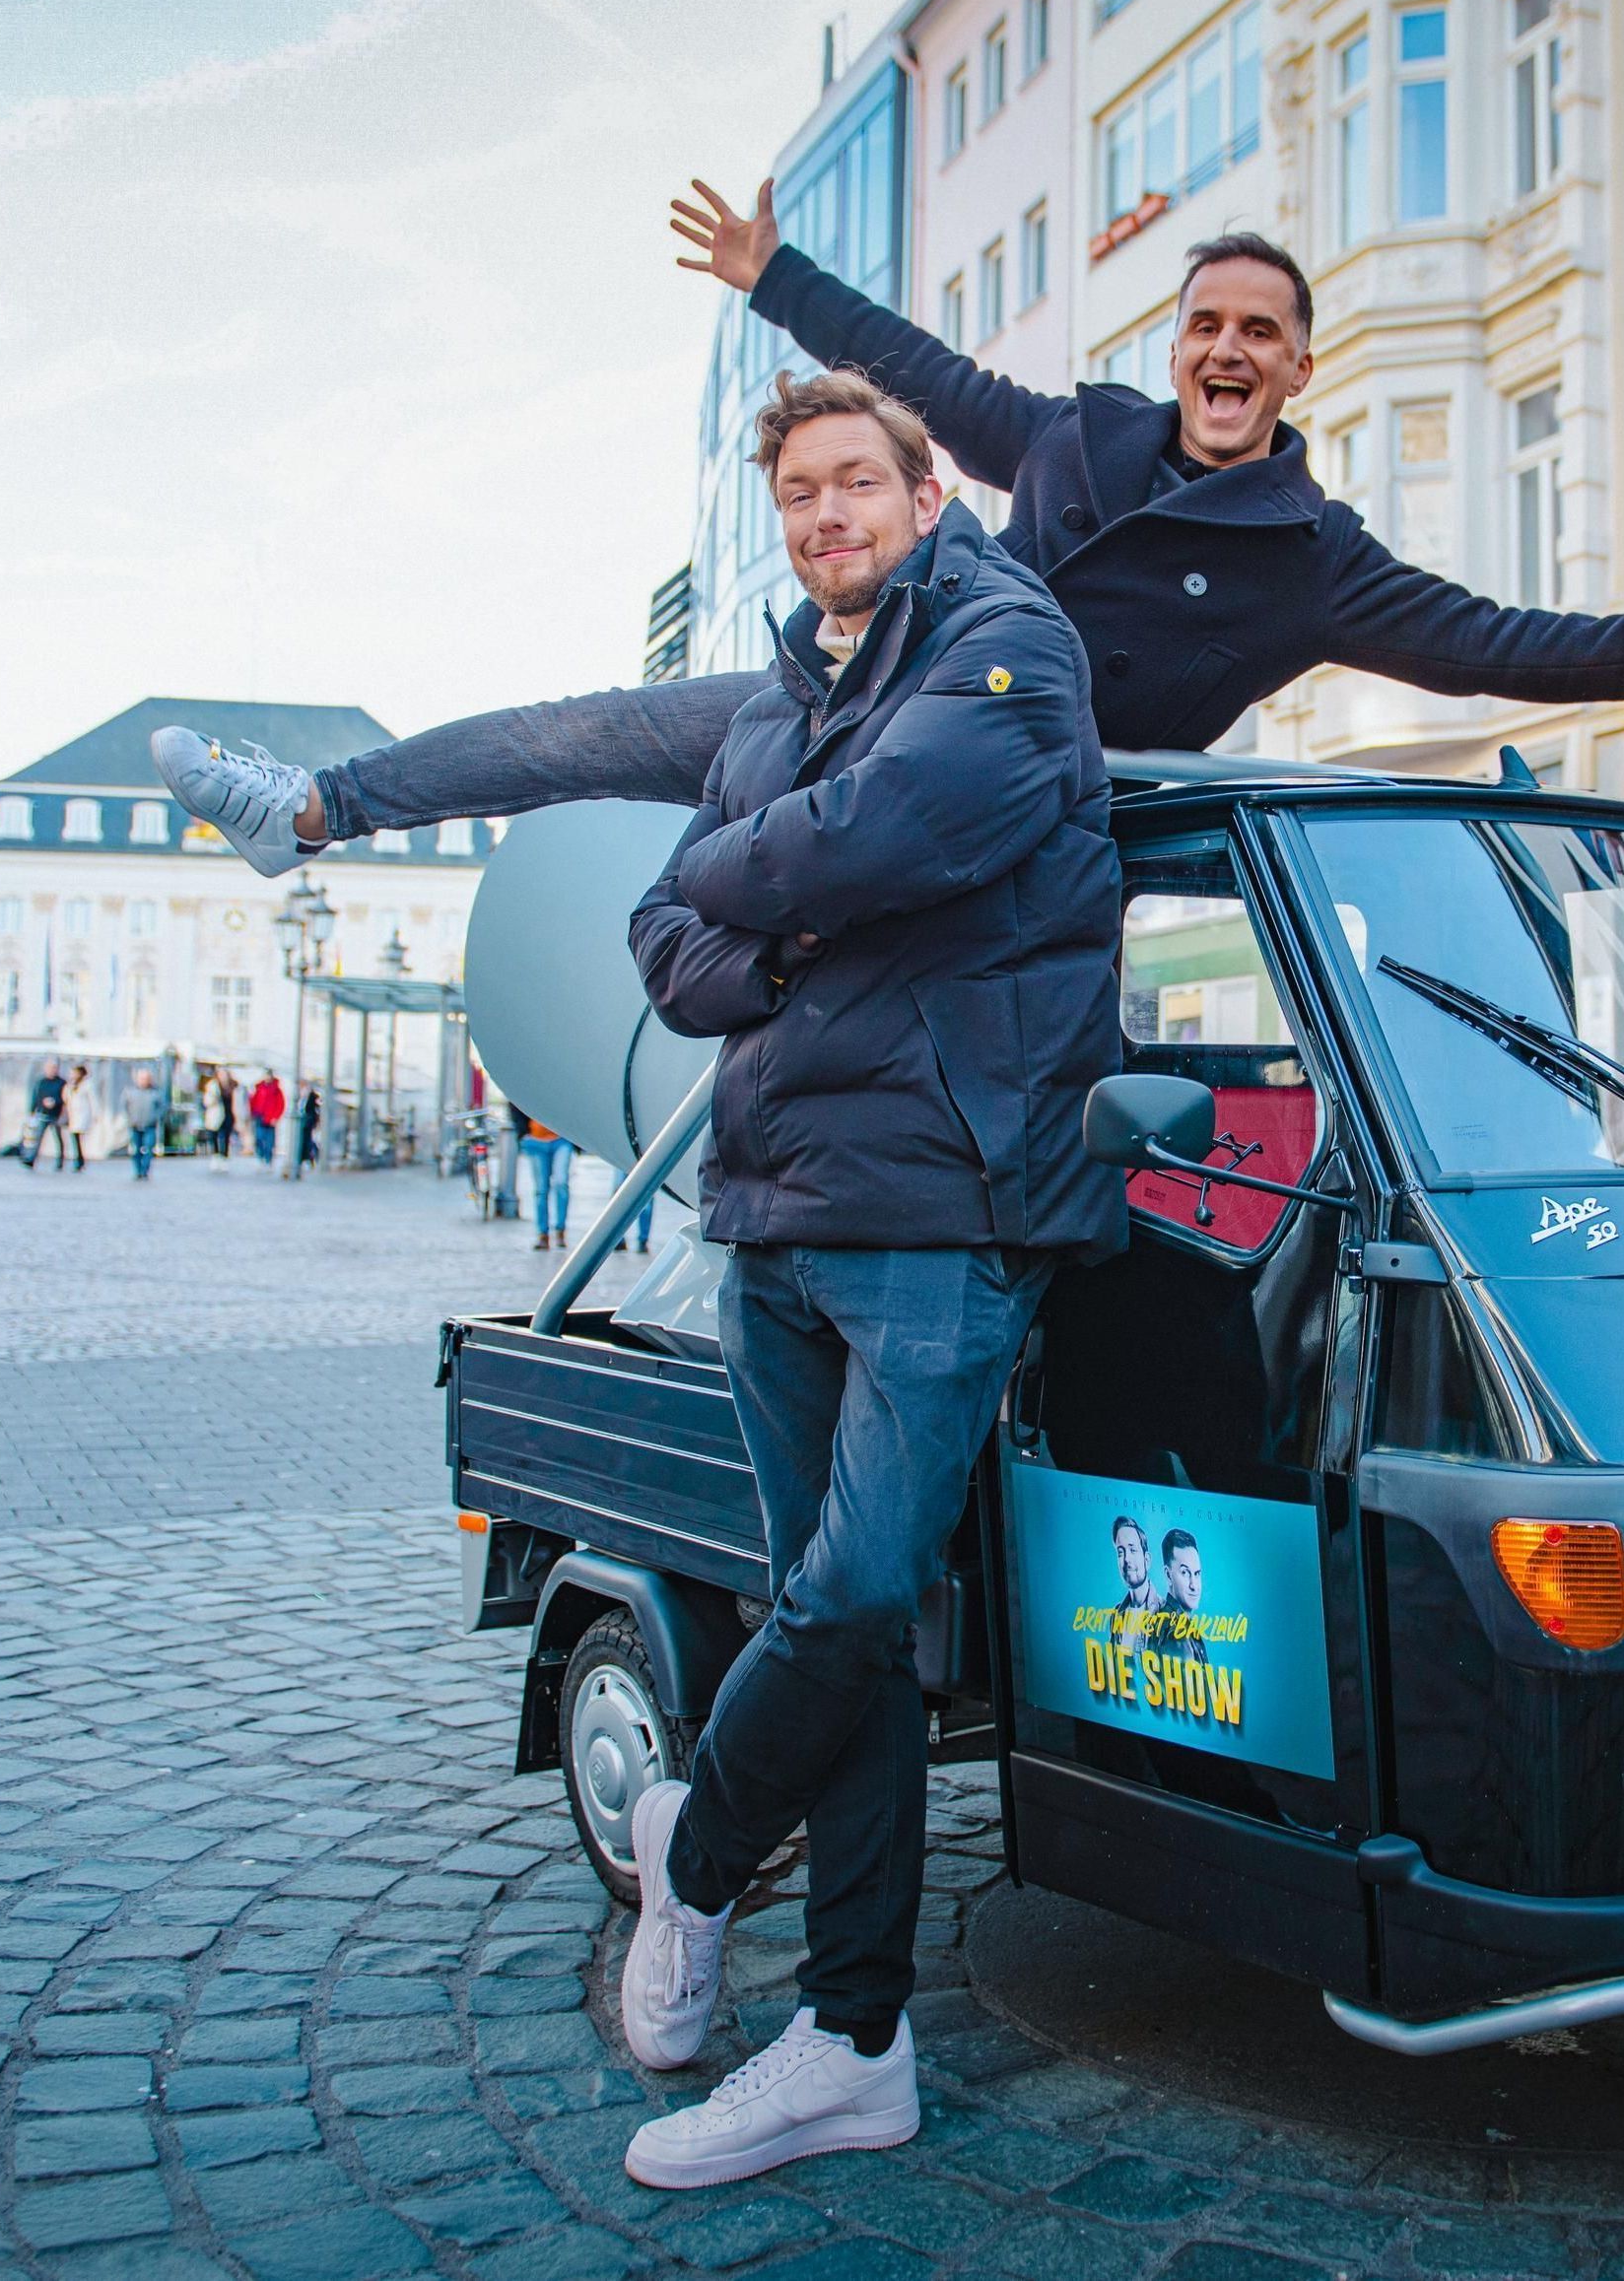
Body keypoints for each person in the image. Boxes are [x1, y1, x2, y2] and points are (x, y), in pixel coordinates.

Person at [149, 213, 1624, 875]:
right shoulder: (1080, 439)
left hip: (1036, 815)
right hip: (870, 700)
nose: (1228, 348)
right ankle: (310, 807)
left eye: (1262, 328)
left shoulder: (1309, 556)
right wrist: (774, 278)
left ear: (1301, 365)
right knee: (599, 729)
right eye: (1206, 323)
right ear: (1179, 344)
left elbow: (1493, 643)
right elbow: (926, 376)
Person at [611, 365, 1122, 2192]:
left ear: (922, 495)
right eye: (799, 496)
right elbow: (664, 942)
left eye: (856, 485)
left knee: (854, 1593)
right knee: (855, 1646)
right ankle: (854, 2041)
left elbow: (894, 832)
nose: (826, 517)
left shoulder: (1008, 642)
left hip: (945, 1214)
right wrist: (784, 927)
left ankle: (690, 1844)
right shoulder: (776, 701)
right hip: (772, 1211)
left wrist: (776, 889)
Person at [1157, 1529, 1210, 1670]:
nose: (1194, 1585)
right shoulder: (1176, 1633)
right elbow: (1189, 1692)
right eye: (1185, 1573)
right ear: (1168, 1576)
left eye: (1197, 1574)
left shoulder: (1176, 1622)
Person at [1110, 1515, 1158, 1661]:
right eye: (1121, 1552)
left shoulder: (1166, 1615)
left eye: (1133, 1550)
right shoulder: (1117, 1615)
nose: (1126, 1560)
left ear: (1147, 1560)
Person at [521, 1117, 574, 1250]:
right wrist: (522, 1131)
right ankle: (542, 1234)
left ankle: (560, 1230)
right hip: (535, 1139)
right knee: (541, 1189)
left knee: (561, 1183)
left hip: (562, 1139)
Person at [23, 1057, 66, 1171]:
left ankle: (60, 1161)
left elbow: (65, 1098)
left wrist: (55, 1102)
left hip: (56, 1115)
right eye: (50, 1068)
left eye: (54, 1068)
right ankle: (31, 1159)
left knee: (58, 1139)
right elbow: (36, 1096)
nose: (52, 1070)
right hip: (43, 1114)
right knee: (37, 1138)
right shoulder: (41, 1082)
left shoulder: (61, 1083)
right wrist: (32, 1110)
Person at [123, 1067, 165, 1181]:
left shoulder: (156, 1092)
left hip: (150, 1125)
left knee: (149, 1148)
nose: (144, 1081)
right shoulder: (130, 1091)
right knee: (136, 1149)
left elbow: (161, 1107)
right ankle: (137, 1171)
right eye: (142, 1078)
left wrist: (155, 1118)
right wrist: (129, 1118)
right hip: (134, 1125)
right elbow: (125, 1106)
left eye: (146, 1079)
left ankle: (144, 1171)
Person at [61, 1064, 97, 1172]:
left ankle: (80, 1160)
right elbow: (65, 1098)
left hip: (83, 1114)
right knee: (74, 1137)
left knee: (79, 1137)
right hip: (73, 1114)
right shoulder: (70, 1085)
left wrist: (95, 1114)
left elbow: (93, 1100)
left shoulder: (87, 1084)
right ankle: (78, 1159)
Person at [200, 1069, 236, 1173]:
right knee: (214, 1136)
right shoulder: (212, 1086)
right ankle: (216, 1157)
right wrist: (213, 1098)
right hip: (215, 1115)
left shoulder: (232, 1086)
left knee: (226, 1137)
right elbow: (206, 1101)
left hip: (228, 1114)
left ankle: (224, 1157)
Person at [248, 1071, 286, 1170]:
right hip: (259, 1116)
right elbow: (253, 1100)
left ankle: (268, 1160)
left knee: (269, 1141)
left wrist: (276, 1117)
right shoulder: (259, 1088)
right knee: (259, 1138)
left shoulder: (276, 1090)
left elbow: (280, 1105)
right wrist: (252, 1112)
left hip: (270, 1118)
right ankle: (260, 1157)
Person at [297, 1083, 322, 1173]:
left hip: (308, 1123)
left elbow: (312, 1110)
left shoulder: (311, 1097)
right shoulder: (307, 1098)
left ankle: (310, 1157)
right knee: (307, 1141)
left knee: (307, 1141)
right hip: (307, 1123)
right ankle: (309, 1158)